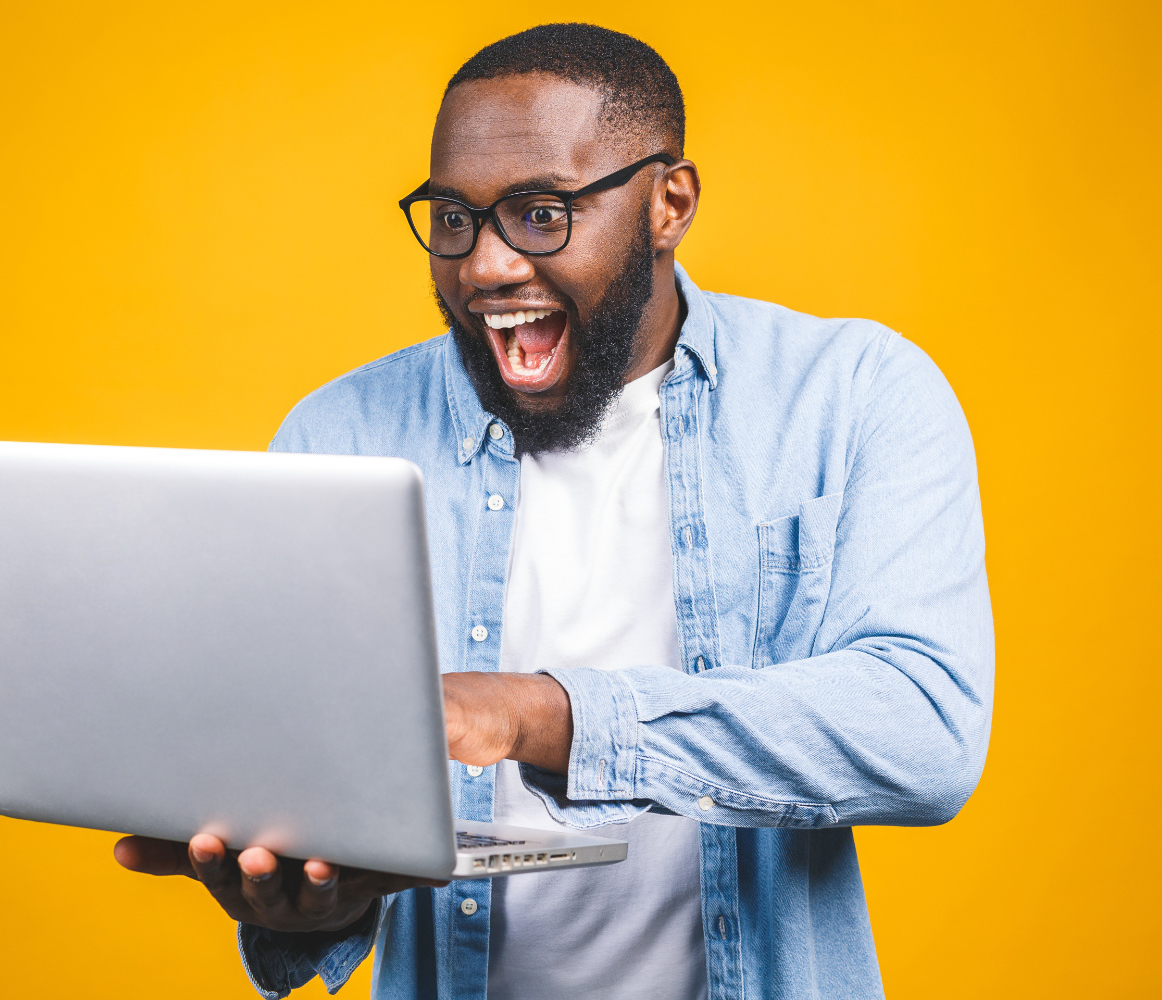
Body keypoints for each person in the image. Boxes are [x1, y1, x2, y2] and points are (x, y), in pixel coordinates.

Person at [114, 22, 994, 1000]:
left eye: (540, 214)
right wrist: (313, 901)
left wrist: (537, 714)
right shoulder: (340, 435)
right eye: (453, 218)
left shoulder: (852, 396)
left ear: (669, 202)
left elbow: (923, 726)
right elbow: (306, 782)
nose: (484, 266)